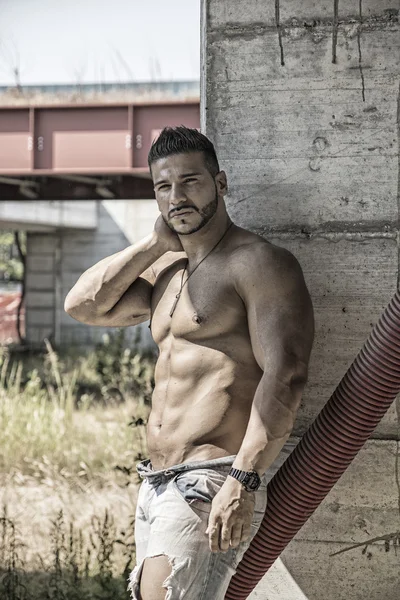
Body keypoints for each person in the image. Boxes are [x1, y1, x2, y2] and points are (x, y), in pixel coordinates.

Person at [64, 126, 314, 600]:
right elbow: (83, 305)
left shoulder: (258, 263)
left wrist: (242, 479)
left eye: (190, 182)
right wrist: (154, 245)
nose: (176, 197)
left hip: (211, 477)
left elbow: (287, 373)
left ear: (220, 184)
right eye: (163, 187)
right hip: (156, 481)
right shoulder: (166, 274)